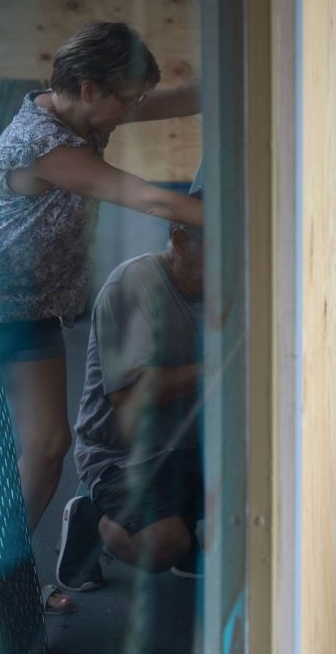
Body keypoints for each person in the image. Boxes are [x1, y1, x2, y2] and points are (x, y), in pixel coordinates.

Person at [0, 21, 204, 613]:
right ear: (89, 88)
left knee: (48, 444)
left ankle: (3, 577)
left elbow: (191, 97)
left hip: (30, 305)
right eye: (127, 100)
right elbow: (150, 198)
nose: (131, 113)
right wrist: (253, 219)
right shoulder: (41, 144)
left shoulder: (85, 112)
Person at [56, 201, 204, 592]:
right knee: (162, 546)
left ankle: (187, 527)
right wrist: (217, 369)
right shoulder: (132, 286)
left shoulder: (229, 287)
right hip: (123, 455)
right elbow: (129, 395)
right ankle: (92, 518)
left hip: (191, 446)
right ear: (179, 238)